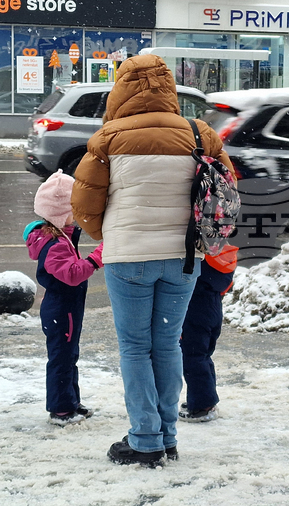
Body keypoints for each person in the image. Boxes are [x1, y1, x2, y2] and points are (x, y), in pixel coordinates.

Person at [71, 54, 234, 467]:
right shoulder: (200, 134)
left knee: (134, 348)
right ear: (170, 89)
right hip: (183, 258)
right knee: (167, 345)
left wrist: (106, 233)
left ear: (121, 90)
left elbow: (85, 204)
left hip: (129, 259)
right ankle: (168, 437)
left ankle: (145, 439)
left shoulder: (108, 137)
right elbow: (227, 193)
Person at [24, 170, 103, 426]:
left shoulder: (62, 237)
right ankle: (60, 409)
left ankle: (70, 401)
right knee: (61, 358)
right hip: (62, 309)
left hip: (66, 307)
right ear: (61, 213)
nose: (77, 214)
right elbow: (71, 274)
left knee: (69, 356)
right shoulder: (56, 243)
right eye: (74, 209)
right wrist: (96, 257)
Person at [179, 245, 237, 423]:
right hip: (213, 305)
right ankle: (205, 398)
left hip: (196, 308)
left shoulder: (199, 262)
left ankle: (202, 406)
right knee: (203, 355)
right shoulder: (219, 257)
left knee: (193, 356)